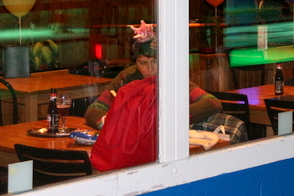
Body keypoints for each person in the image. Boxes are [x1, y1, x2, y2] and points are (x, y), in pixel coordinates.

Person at [85, 21, 222, 130]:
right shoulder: (126, 77)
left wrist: (170, 118)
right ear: (135, 62)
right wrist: (108, 123)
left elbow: (212, 102)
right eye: (143, 63)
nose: (150, 69)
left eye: (155, 62)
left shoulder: (172, 78)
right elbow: (95, 109)